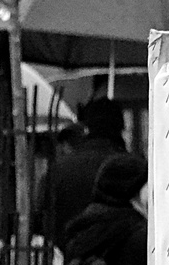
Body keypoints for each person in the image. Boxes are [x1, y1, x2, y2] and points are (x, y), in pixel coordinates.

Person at [43, 99, 126, 252]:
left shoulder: (58, 171)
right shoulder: (131, 168)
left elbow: (42, 222)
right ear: (120, 127)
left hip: (70, 264)